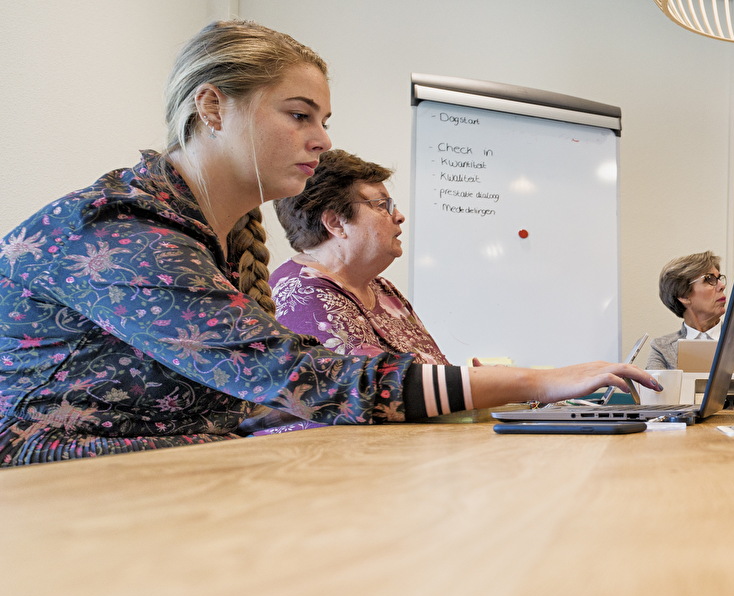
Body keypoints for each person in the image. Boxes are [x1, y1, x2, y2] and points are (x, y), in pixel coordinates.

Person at [0, 20, 656, 467]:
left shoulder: (203, 238)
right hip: (55, 509)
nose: (322, 140)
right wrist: (540, 381)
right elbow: (304, 381)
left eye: (324, 120)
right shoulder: (122, 229)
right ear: (212, 107)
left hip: (156, 494)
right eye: (298, 114)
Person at [270, 149, 447, 363]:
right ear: (335, 223)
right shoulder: (304, 294)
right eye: (382, 206)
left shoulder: (382, 288)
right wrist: (476, 385)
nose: (399, 217)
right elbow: (370, 390)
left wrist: (477, 381)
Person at [642, 250, 734, 371]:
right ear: (684, 296)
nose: (722, 285)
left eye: (719, 278)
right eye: (709, 279)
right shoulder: (662, 348)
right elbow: (654, 389)